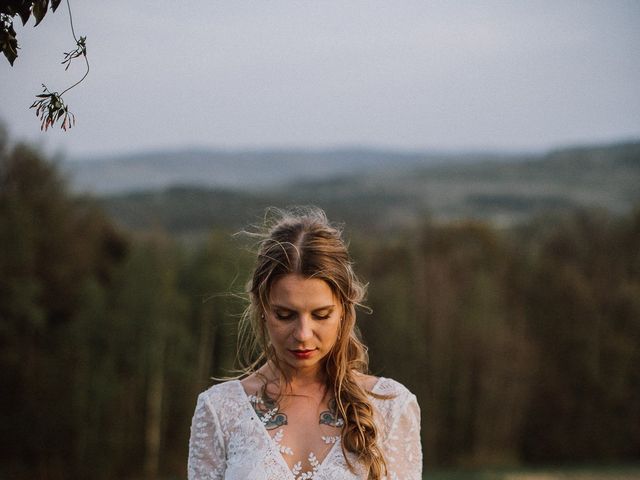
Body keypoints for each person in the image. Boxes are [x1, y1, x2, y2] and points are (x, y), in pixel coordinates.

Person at [188, 207, 422, 480]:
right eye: (285, 315)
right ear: (262, 308)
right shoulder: (218, 410)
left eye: (321, 315)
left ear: (344, 310)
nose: (303, 334)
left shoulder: (390, 406)